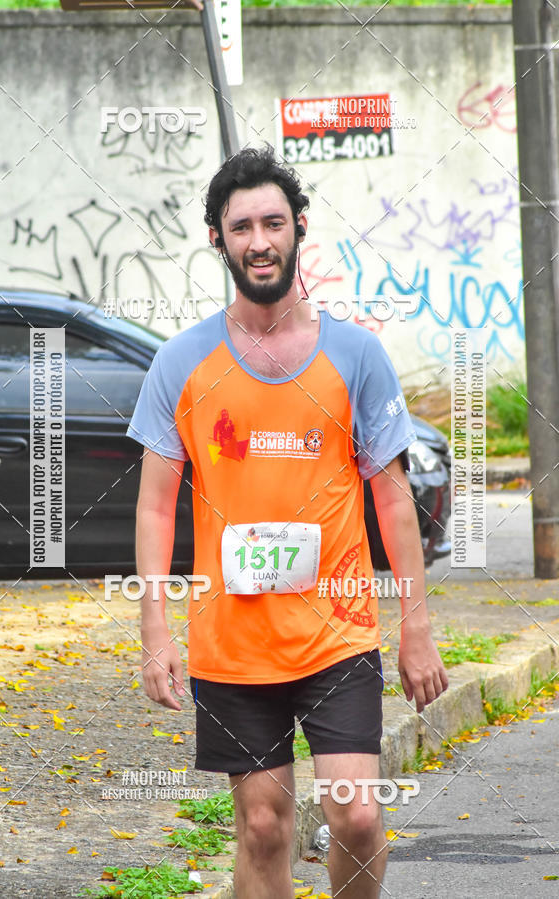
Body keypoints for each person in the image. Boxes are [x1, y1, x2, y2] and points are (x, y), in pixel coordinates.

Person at [126, 145, 448, 898]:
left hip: (335, 634)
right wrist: (155, 632)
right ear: (219, 240)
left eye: (274, 222)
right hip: (233, 645)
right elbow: (152, 503)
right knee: (265, 825)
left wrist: (415, 622)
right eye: (242, 226)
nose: (259, 239)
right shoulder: (182, 362)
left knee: (359, 815)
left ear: (300, 228)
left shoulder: (357, 356)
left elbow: (393, 496)